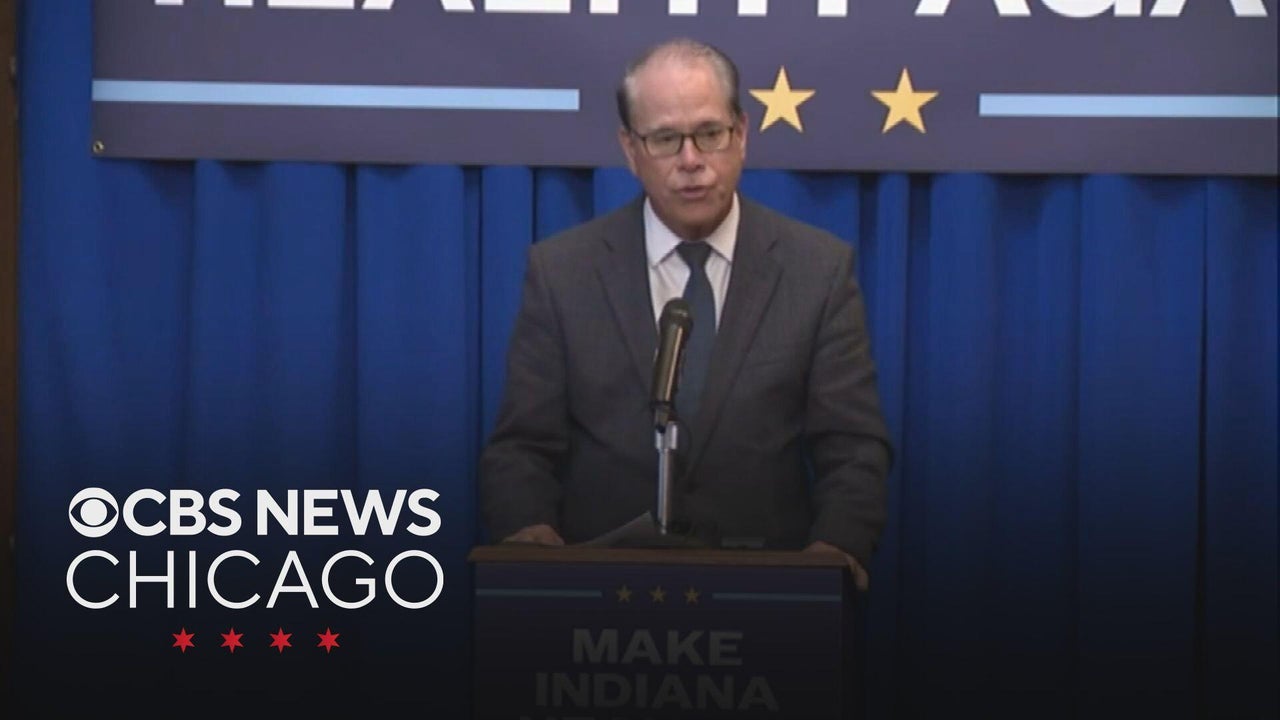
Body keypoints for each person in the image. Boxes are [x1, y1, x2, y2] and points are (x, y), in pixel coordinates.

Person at [478, 38, 891, 590]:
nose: (691, 160)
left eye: (710, 133)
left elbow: (853, 448)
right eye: (666, 139)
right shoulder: (563, 272)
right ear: (630, 150)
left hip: (768, 596)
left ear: (742, 134)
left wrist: (834, 550)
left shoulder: (817, 271)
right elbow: (522, 448)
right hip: (599, 600)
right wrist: (529, 534)